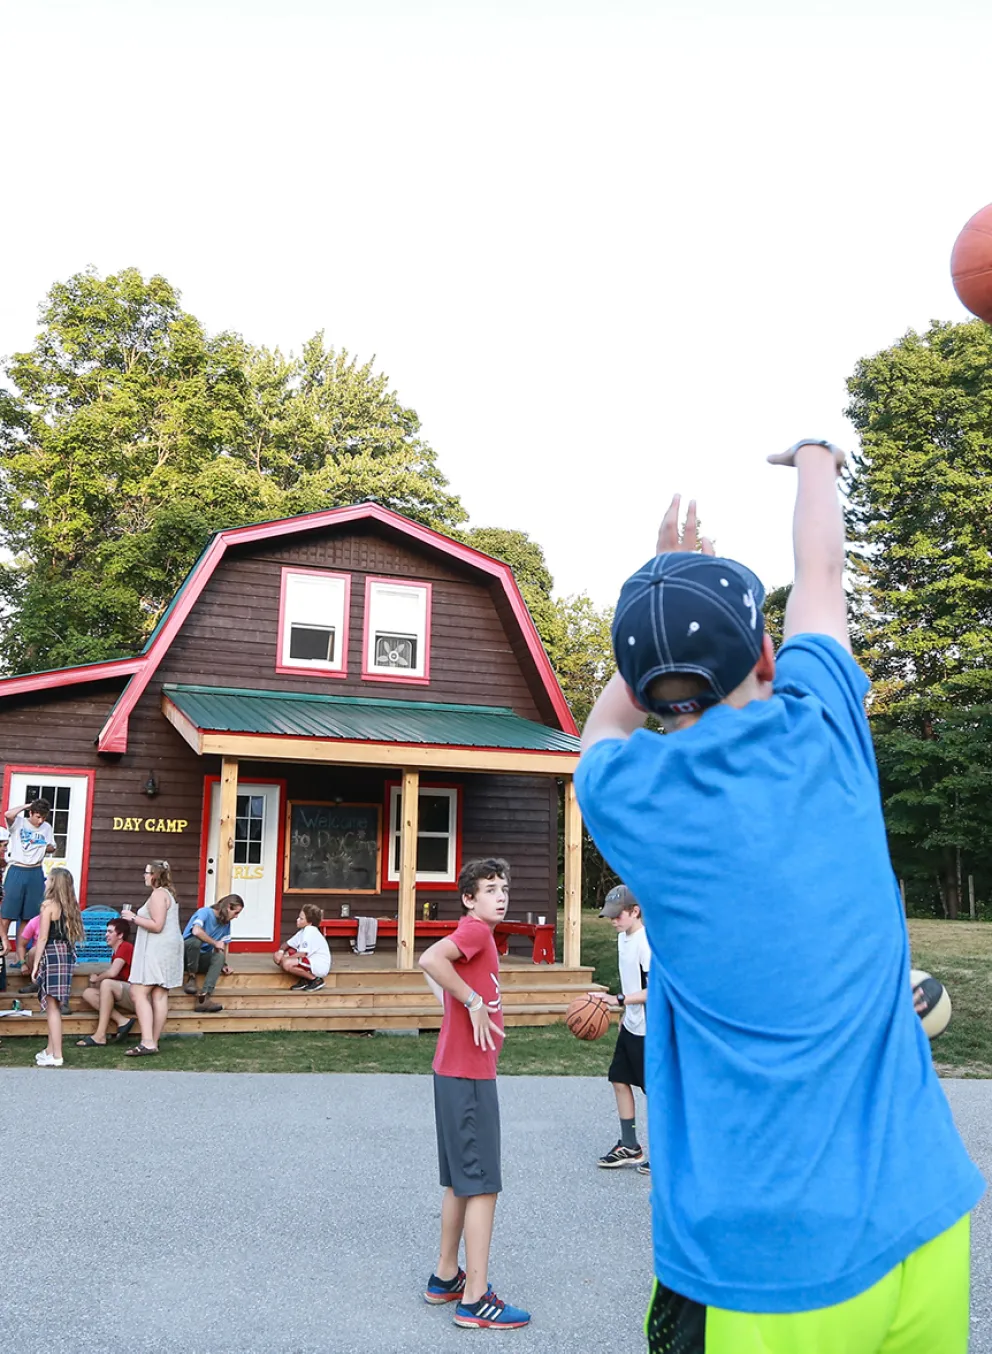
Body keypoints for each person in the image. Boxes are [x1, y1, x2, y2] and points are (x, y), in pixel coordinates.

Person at [575, 447, 984, 1354]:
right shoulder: (825, 729)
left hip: (773, 1262)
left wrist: (649, 600)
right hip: (921, 1216)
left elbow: (602, 727)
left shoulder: (633, 798)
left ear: (648, 696)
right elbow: (822, 572)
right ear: (768, 651)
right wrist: (812, 460)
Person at [418, 858, 530, 1331]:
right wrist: (472, 1002)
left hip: (454, 1073)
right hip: (467, 1079)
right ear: (468, 898)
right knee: (483, 1185)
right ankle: (476, 1299)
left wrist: (462, 998)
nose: (500, 896)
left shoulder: (477, 937)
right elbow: (429, 960)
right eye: (489, 889)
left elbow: (434, 969)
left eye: (504, 887)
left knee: (460, 1182)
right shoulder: (476, 933)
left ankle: (446, 1276)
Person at [590, 884, 651, 1175]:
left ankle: (668, 1155)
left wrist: (619, 1000)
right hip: (632, 1024)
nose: (613, 920)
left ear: (635, 911)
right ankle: (630, 1146)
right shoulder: (623, 938)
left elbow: (657, 991)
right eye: (611, 916)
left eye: (618, 915)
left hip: (653, 1030)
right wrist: (623, 1014)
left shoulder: (645, 942)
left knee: (657, 1092)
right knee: (618, 1079)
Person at [122, 860, 184, 1057]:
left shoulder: (158, 894)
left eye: (147, 872)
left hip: (159, 948)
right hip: (168, 947)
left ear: (156, 875)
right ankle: (152, 1042)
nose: (144, 875)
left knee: (138, 991)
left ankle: (147, 1041)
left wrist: (132, 918)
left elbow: (157, 925)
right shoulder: (168, 894)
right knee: (159, 993)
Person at [31, 866, 84, 1068]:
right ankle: (50, 1049)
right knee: (55, 1005)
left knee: (52, 1006)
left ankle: (57, 1055)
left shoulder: (48, 905)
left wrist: (36, 963)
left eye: (48, 879)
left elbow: (43, 937)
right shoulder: (71, 906)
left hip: (52, 952)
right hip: (66, 953)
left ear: (54, 883)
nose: (45, 882)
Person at [2, 799, 56, 963]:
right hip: (17, 870)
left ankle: (19, 958)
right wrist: (28, 805)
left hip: (35, 871)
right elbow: (8, 814)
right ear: (31, 813)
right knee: (6, 915)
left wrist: (44, 846)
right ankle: (2, 949)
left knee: (27, 917)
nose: (40, 821)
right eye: (38, 816)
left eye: (44, 818)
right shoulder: (19, 823)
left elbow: (52, 846)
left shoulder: (46, 828)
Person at [76, 917, 137, 1047]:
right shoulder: (115, 952)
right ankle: (122, 1020)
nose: (106, 935)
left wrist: (96, 978)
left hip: (136, 995)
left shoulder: (125, 947)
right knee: (88, 993)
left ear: (120, 935)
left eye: (110, 932)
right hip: (125, 993)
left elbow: (112, 973)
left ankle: (100, 1035)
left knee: (107, 983)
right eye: (106, 931)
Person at [182, 894, 245, 1012]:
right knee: (195, 942)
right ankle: (191, 979)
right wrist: (215, 943)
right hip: (184, 958)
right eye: (236, 913)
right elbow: (196, 931)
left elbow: (223, 944)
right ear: (228, 907)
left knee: (219, 957)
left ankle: (204, 998)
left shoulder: (226, 923)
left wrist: (224, 964)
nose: (236, 917)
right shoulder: (204, 912)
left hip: (200, 959)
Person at [273, 904, 332, 992]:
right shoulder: (303, 931)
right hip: (309, 960)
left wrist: (286, 958)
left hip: (319, 965)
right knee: (280, 955)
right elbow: (287, 944)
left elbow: (303, 954)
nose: (297, 920)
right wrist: (281, 952)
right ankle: (305, 979)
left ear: (310, 922)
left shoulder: (310, 931)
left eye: (301, 919)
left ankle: (315, 980)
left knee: (287, 963)